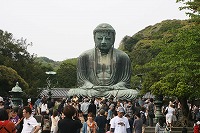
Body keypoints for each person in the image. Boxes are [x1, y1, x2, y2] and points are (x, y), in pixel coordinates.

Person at [70, 23, 139, 99]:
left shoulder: (123, 56)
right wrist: (92, 86)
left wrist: (113, 87)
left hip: (113, 90)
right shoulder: (85, 56)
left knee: (132, 93)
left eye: (108, 39)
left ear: (113, 39)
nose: (103, 42)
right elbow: (82, 81)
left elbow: (125, 82)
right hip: (92, 90)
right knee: (73, 92)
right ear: (94, 38)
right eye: (99, 39)